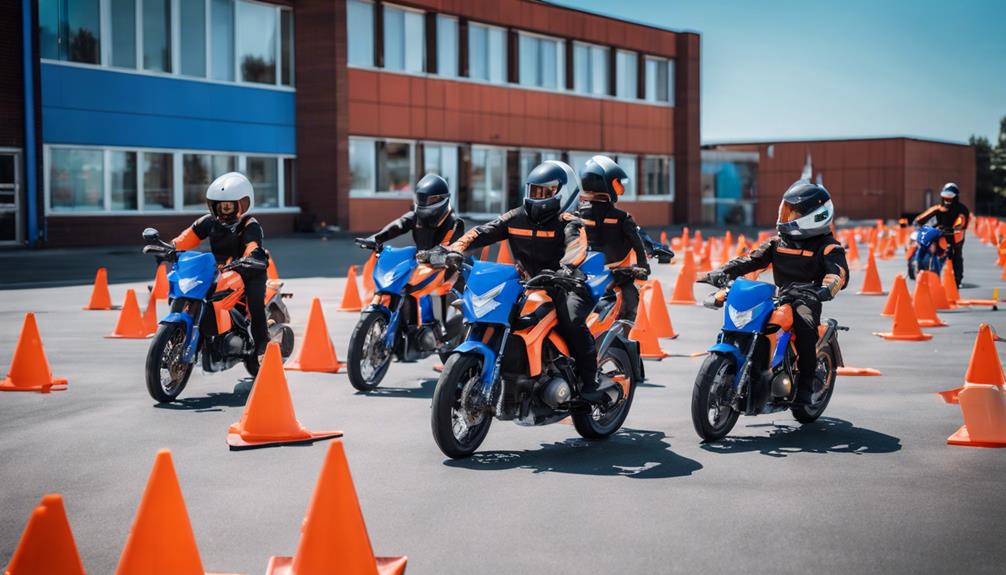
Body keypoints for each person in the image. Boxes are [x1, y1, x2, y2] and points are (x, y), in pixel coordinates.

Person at [447, 161, 608, 403]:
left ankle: (589, 381)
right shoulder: (516, 217)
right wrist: (455, 249)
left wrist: (566, 268)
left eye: (545, 192)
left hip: (566, 284)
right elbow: (483, 231)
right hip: (529, 284)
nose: (537, 197)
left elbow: (576, 246)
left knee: (572, 321)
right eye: (533, 190)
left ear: (563, 192)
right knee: (490, 311)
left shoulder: (569, 221)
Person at [699, 180, 850, 405]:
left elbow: (839, 273)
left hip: (807, 298)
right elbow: (750, 260)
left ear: (815, 215)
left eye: (793, 212)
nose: (786, 216)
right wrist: (721, 271)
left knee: (805, 327)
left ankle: (806, 386)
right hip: (780, 296)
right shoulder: (777, 242)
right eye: (786, 210)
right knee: (749, 319)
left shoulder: (828, 246)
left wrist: (828, 286)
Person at [171, 172, 270, 358]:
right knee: (195, 291)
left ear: (243, 204)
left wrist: (251, 257)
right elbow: (187, 238)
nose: (224, 211)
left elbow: (252, 245)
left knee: (255, 305)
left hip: (249, 269)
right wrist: (170, 248)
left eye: (228, 206)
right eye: (220, 206)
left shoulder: (250, 224)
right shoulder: (209, 221)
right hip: (219, 270)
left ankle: (262, 346)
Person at [576, 155, 650, 320]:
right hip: (614, 274)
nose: (620, 189)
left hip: (581, 272)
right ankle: (625, 330)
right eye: (617, 184)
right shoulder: (623, 217)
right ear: (607, 183)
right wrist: (643, 266)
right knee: (630, 300)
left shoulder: (577, 214)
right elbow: (637, 243)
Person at [364, 173, 465, 251]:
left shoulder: (455, 222)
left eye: (430, 199)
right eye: (421, 198)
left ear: (442, 198)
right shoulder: (415, 217)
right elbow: (398, 226)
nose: (424, 202)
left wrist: (445, 253)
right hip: (420, 265)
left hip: (445, 269)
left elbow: (456, 248)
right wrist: (376, 239)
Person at [914, 182, 970, 287]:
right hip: (939, 234)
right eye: (945, 198)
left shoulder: (962, 210)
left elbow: (961, 223)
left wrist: (955, 228)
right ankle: (920, 266)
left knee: (956, 255)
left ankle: (957, 280)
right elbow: (924, 216)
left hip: (955, 236)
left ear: (955, 198)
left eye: (950, 198)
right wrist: (918, 222)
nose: (947, 200)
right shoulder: (939, 208)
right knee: (926, 243)